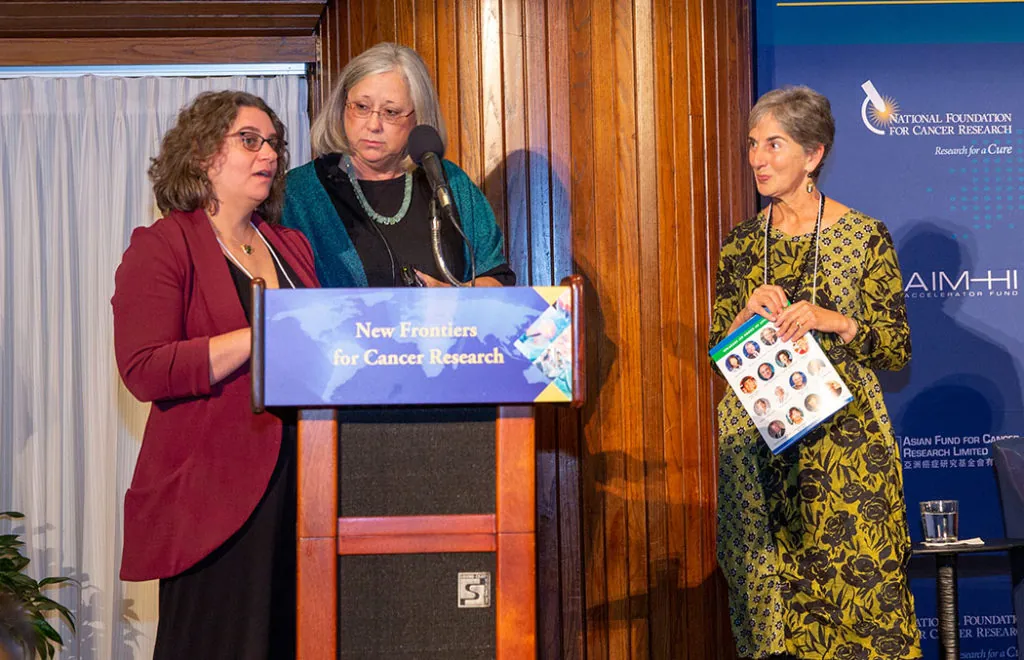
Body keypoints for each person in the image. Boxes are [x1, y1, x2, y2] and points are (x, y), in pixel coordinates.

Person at [709, 86, 920, 659]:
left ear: (813, 154)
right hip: (757, 448)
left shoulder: (864, 236)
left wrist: (836, 320)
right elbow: (718, 351)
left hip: (845, 453)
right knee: (767, 607)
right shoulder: (741, 246)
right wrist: (743, 317)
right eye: (753, 144)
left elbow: (895, 347)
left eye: (773, 144)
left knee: (863, 600)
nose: (758, 158)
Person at [112, 91, 319, 659]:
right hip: (214, 496)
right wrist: (260, 336)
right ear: (204, 154)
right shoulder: (163, 246)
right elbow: (144, 368)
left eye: (273, 143)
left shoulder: (291, 247)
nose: (270, 154)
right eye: (249, 140)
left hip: (306, 481)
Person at [281, 42, 515, 288]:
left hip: (441, 327)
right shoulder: (299, 192)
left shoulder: (448, 182)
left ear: (419, 117)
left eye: (391, 112)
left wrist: (454, 295)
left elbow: (498, 278)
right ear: (342, 107)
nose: (373, 125)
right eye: (361, 107)